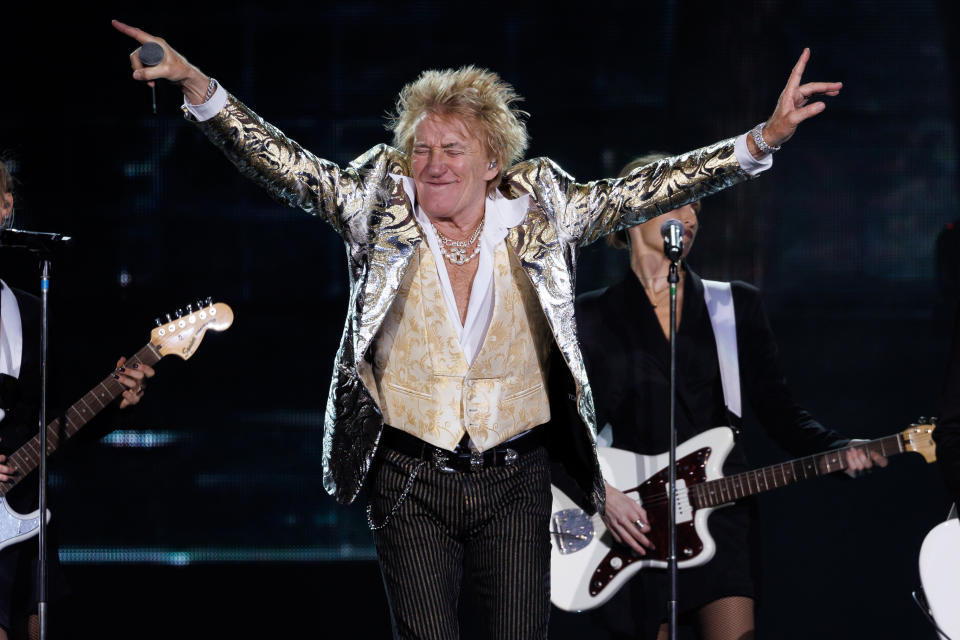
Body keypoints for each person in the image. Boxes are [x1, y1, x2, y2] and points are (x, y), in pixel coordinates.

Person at [113, 19, 840, 639]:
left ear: (492, 162)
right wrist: (194, 83)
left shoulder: (545, 208)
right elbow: (287, 168)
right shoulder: (379, 205)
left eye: (452, 149)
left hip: (516, 478)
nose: (432, 165)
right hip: (408, 475)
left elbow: (647, 189)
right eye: (421, 149)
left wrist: (761, 139)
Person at [575, 154, 887, 640]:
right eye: (680, 201)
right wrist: (602, 493)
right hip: (631, 522)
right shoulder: (587, 317)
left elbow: (779, 412)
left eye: (698, 205)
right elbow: (562, 430)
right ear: (633, 207)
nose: (694, 217)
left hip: (721, 516)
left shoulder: (733, 306)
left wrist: (835, 449)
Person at [0, 158, 155, 640]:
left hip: (22, 524)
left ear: (6, 206)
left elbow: (51, 430)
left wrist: (114, 405)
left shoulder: (28, 310)